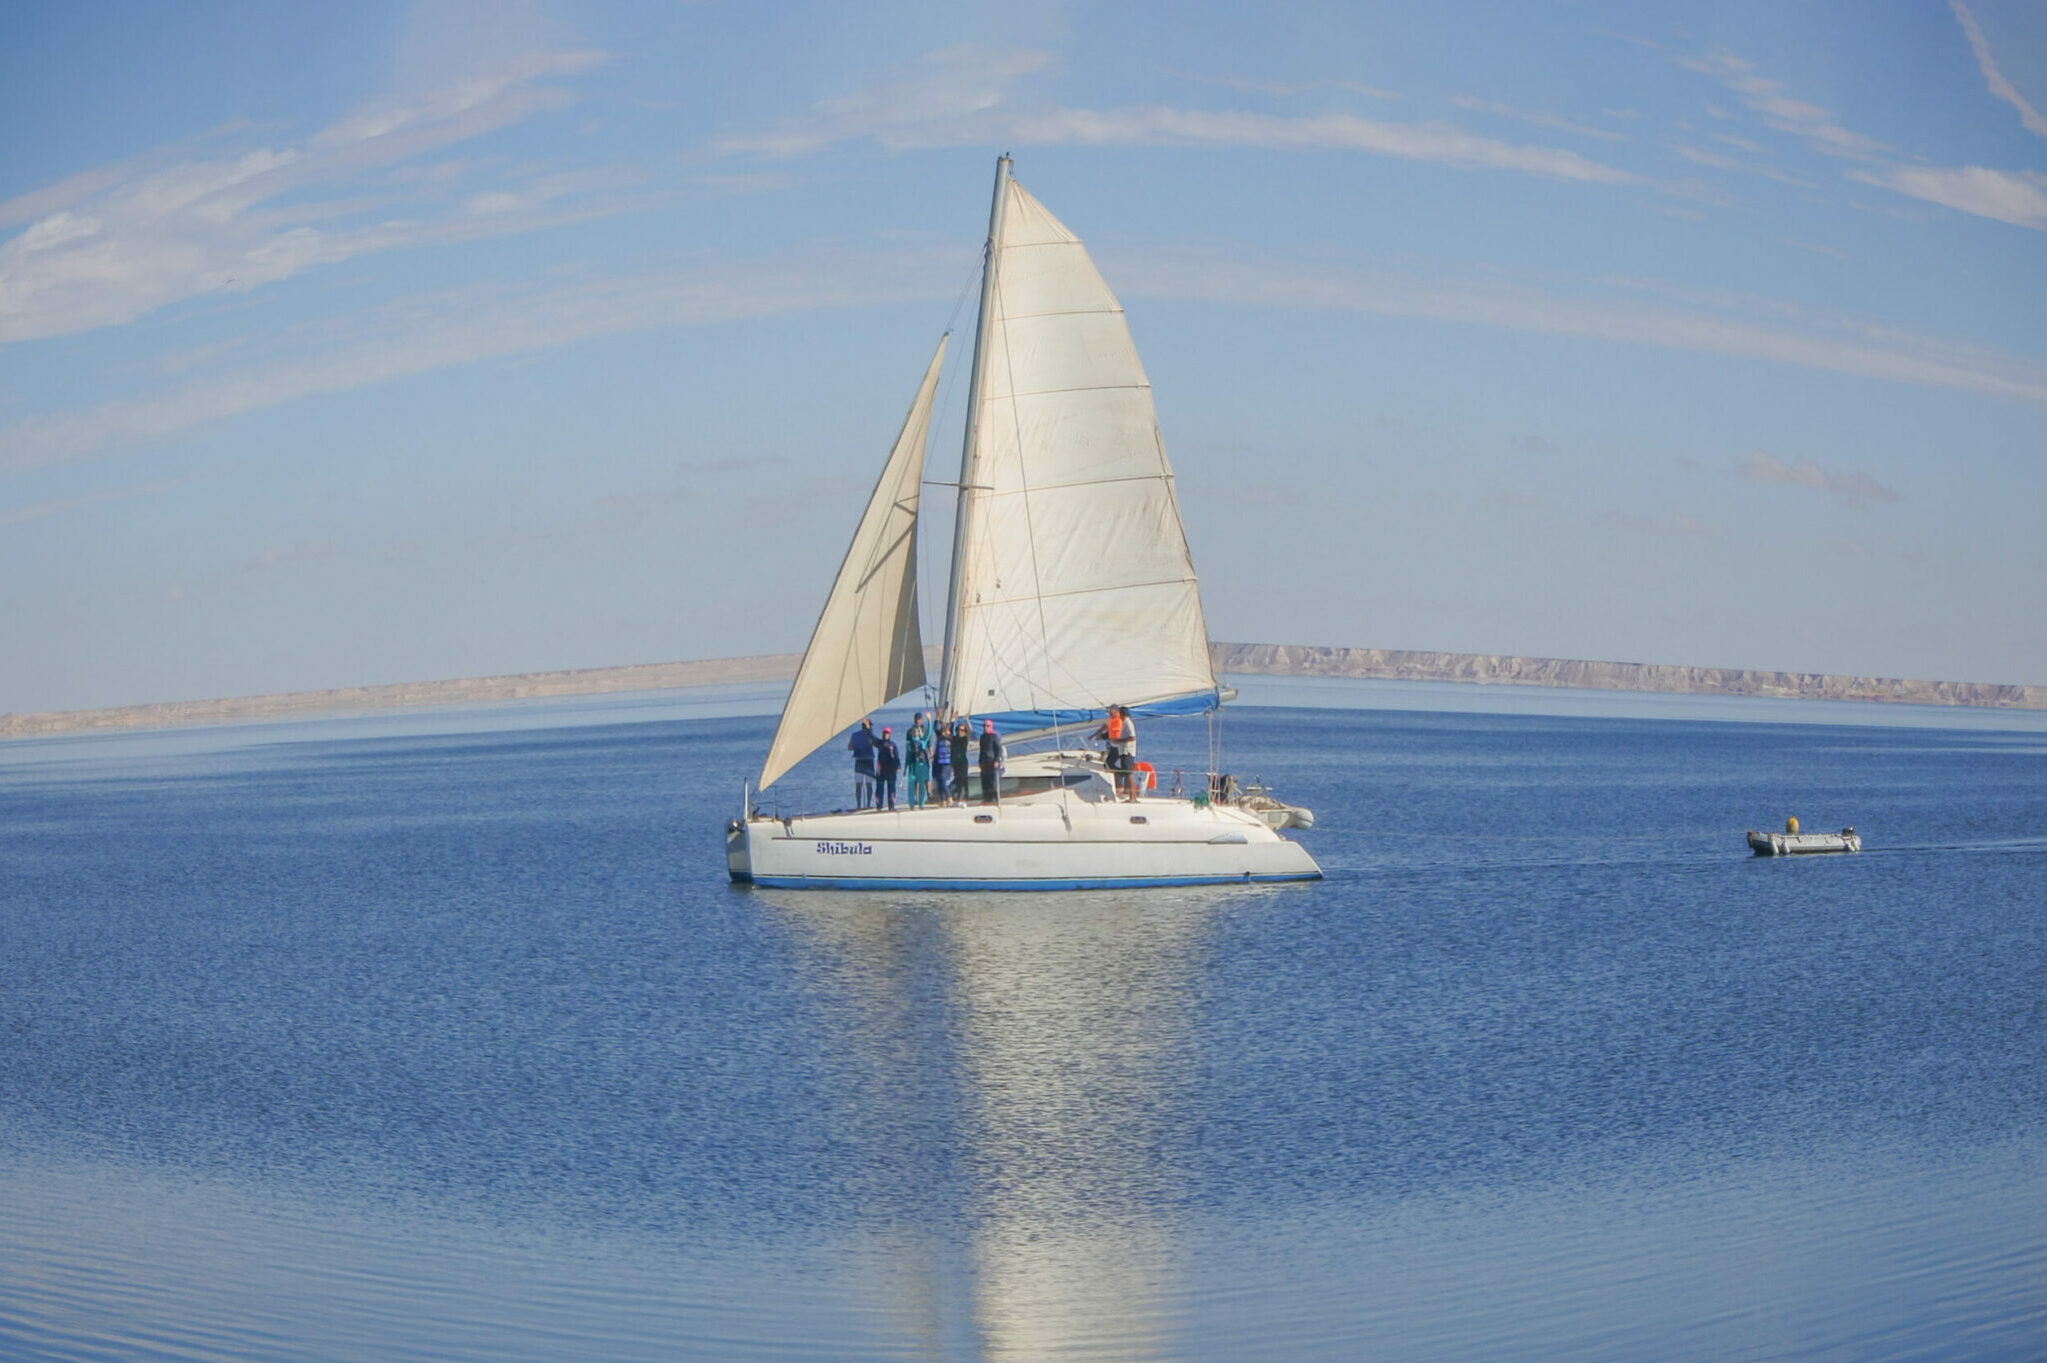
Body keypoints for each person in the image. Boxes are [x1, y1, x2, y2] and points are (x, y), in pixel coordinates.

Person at [847, 716, 876, 809]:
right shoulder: (870, 734)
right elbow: (874, 741)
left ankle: (859, 805)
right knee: (869, 784)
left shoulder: (854, 735)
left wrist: (857, 746)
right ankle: (868, 804)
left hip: (859, 760)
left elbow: (849, 747)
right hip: (868, 760)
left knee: (858, 784)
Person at [905, 714, 932, 810]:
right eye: (914, 732)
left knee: (923, 782)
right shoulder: (910, 741)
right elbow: (907, 753)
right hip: (913, 764)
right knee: (912, 783)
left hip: (922, 762)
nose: (916, 733)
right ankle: (912, 803)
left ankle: (922, 803)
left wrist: (929, 720)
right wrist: (905, 768)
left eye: (917, 732)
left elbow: (929, 733)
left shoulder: (923, 740)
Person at [873, 725, 901, 811]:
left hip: (891, 769)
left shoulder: (893, 745)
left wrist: (898, 766)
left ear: (890, 734)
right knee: (879, 788)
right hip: (881, 770)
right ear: (882, 734)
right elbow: (871, 738)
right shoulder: (879, 743)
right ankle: (879, 806)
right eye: (884, 733)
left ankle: (891, 806)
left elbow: (896, 756)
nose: (885, 735)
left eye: (887, 733)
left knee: (891, 788)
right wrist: (868, 728)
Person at [978, 719, 1004, 805]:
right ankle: (986, 798)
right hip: (984, 761)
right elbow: (981, 750)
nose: (985, 728)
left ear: (991, 727)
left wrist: (997, 760)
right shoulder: (982, 736)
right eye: (984, 726)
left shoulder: (994, 736)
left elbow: (998, 749)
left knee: (992, 781)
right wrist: (980, 761)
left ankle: (994, 798)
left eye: (987, 726)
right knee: (984, 780)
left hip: (992, 761)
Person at [949, 720, 972, 806]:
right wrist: (952, 722)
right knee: (958, 780)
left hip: (963, 762)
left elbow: (970, 731)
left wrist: (967, 721)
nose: (960, 731)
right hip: (955, 763)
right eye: (959, 730)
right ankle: (958, 798)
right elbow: (948, 732)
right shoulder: (954, 739)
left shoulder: (965, 739)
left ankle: (965, 798)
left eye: (962, 730)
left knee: (963, 780)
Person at [930, 713, 952, 804]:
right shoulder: (940, 737)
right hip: (938, 762)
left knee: (943, 780)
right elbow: (935, 728)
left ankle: (949, 797)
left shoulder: (950, 739)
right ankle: (942, 800)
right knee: (939, 781)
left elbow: (951, 730)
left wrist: (952, 722)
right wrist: (937, 718)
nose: (944, 732)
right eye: (943, 730)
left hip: (946, 763)